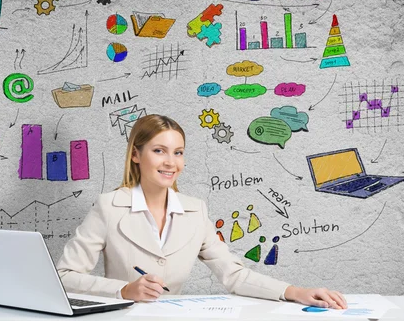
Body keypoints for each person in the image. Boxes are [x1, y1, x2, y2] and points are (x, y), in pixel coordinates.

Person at [56, 114, 347, 309]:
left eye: (178, 152)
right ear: (135, 154)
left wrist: (295, 292)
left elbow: (233, 274)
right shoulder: (109, 206)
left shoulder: (195, 211)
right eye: (159, 151)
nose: (171, 162)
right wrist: (123, 291)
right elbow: (65, 276)